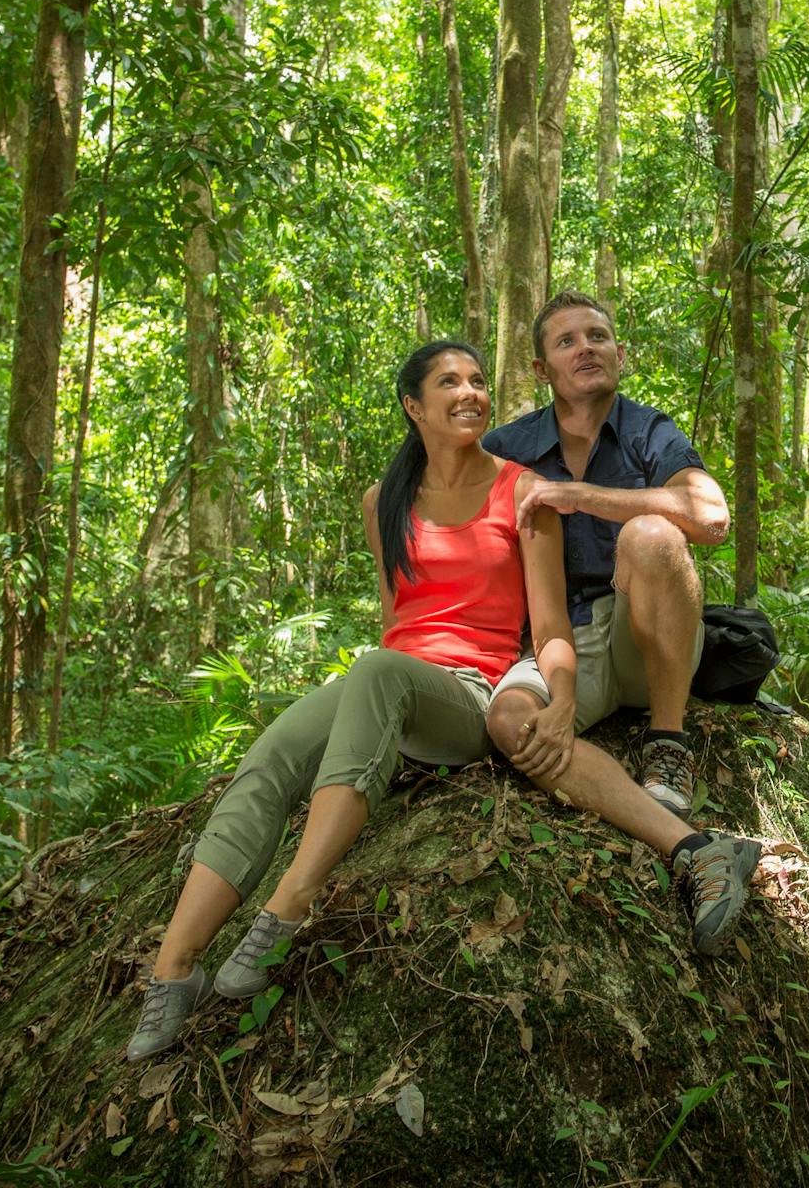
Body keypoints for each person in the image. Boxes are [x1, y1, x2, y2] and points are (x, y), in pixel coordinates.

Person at [126, 339, 755, 1063]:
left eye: (479, 380)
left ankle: (293, 898)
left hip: (469, 690)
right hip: (391, 680)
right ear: (411, 406)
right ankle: (174, 968)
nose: (470, 392)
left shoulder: (524, 490)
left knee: (377, 671)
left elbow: (549, 625)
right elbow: (400, 621)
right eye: (449, 382)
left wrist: (560, 696)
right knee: (268, 760)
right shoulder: (383, 501)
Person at [482, 290, 728, 820]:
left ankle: (667, 743)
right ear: (541, 369)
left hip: (644, 636)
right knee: (511, 721)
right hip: (561, 645)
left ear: (621, 355)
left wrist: (581, 496)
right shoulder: (506, 447)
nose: (585, 349)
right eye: (566, 342)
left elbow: (711, 517)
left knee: (651, 535)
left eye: (597, 337)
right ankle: (637, 812)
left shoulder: (648, 430)